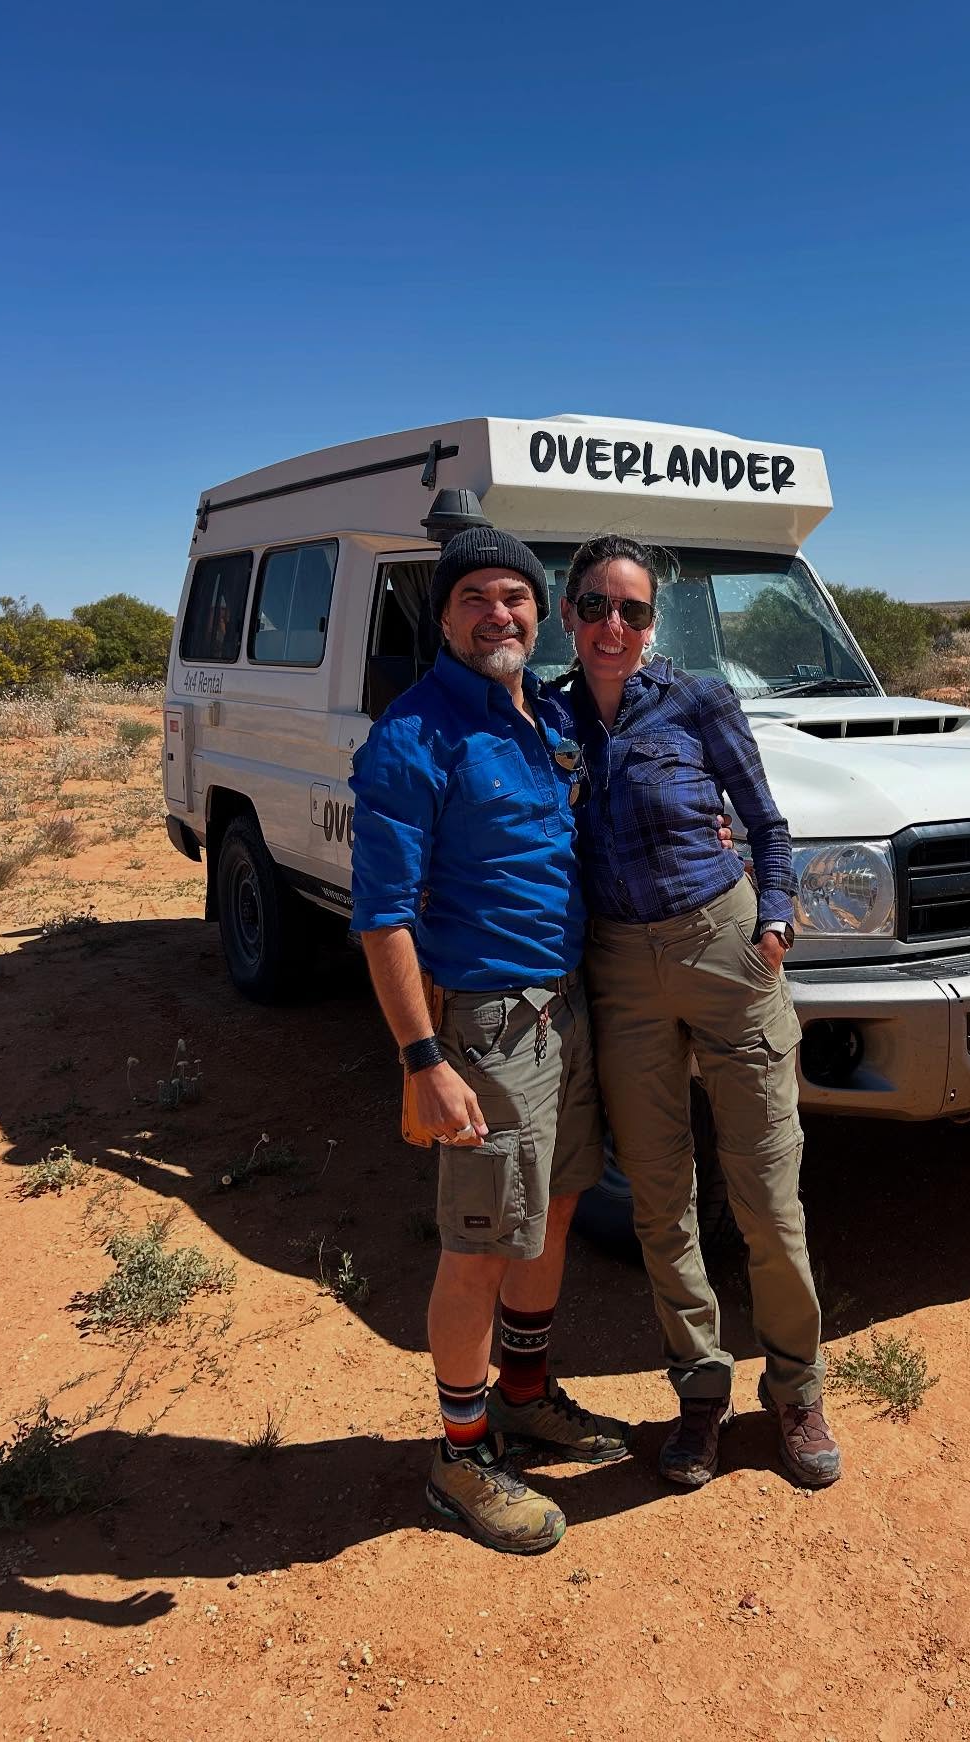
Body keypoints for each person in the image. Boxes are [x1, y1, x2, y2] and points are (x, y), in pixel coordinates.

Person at [348, 521, 629, 1557]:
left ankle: (522, 1394)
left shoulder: (542, 712)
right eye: (475, 597)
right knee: (476, 1249)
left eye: (515, 596)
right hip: (484, 1027)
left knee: (551, 1213)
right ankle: (460, 1457)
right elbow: (382, 918)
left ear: (537, 612)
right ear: (444, 616)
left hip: (566, 1006)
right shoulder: (413, 737)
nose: (498, 613)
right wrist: (424, 1060)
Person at [550, 534, 842, 1490]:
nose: (614, 626)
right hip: (620, 970)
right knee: (660, 1202)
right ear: (568, 613)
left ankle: (796, 1392)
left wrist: (774, 918)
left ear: (653, 622)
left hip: (725, 947)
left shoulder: (698, 699)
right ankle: (701, 1394)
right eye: (597, 606)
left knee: (768, 1196)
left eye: (634, 610)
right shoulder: (545, 717)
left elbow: (766, 822)